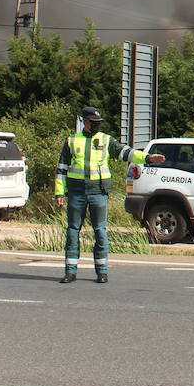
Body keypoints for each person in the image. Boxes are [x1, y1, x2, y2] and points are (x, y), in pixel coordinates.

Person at [54, 106, 164, 283]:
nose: (97, 125)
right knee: (73, 230)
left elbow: (125, 152)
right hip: (77, 193)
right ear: (84, 121)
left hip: (98, 192)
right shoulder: (72, 141)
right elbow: (61, 169)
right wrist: (59, 192)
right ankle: (70, 271)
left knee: (100, 231)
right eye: (93, 122)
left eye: (98, 123)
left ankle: (102, 271)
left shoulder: (106, 140)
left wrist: (147, 158)